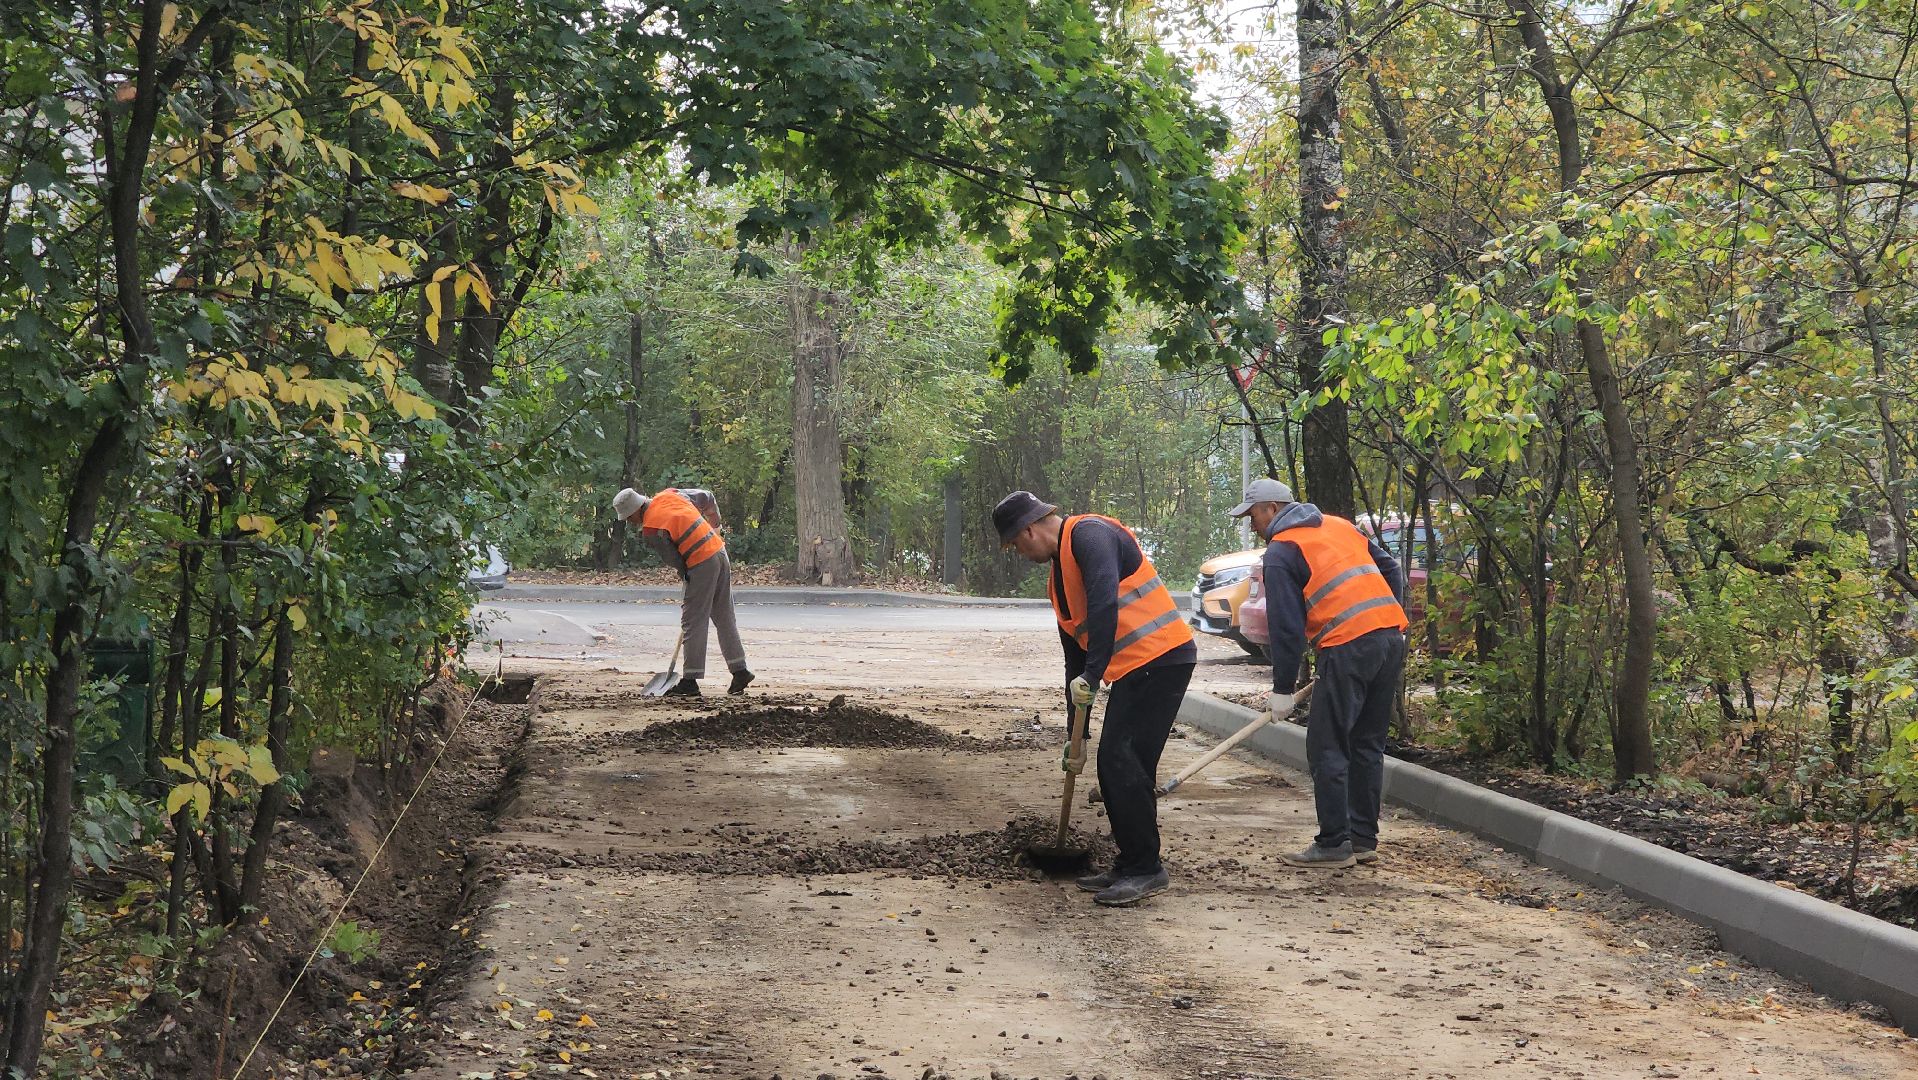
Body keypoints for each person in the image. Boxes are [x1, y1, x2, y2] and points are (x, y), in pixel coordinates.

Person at [995, 490, 1197, 906]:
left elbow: (1105, 601)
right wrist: (1077, 734)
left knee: (1123, 759)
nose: (1018, 552)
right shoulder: (1058, 581)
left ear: (1029, 530)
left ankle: (1146, 869)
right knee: (1116, 762)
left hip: (1162, 658)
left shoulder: (1090, 535)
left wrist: (1094, 673)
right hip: (1137, 668)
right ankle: (1132, 863)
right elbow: (1075, 659)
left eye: (1015, 544)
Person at [1230, 478, 1407, 869]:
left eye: (1253, 514)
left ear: (1273, 509)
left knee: (1327, 745)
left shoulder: (1281, 551)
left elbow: (1287, 627)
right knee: (1366, 743)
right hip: (1390, 638)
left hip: (1347, 646)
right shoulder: (1339, 525)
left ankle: (1333, 844)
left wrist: (1281, 689)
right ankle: (1362, 838)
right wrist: (1391, 618)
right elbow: (1390, 567)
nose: (1252, 524)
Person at [613, 486, 754, 696]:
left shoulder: (651, 530)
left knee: (693, 621)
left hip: (701, 561)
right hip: (719, 552)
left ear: (635, 511)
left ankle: (690, 681)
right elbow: (708, 497)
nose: (629, 522)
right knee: (724, 616)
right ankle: (740, 670)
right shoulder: (670, 495)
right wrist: (716, 527)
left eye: (628, 518)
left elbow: (675, 559)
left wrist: (686, 575)